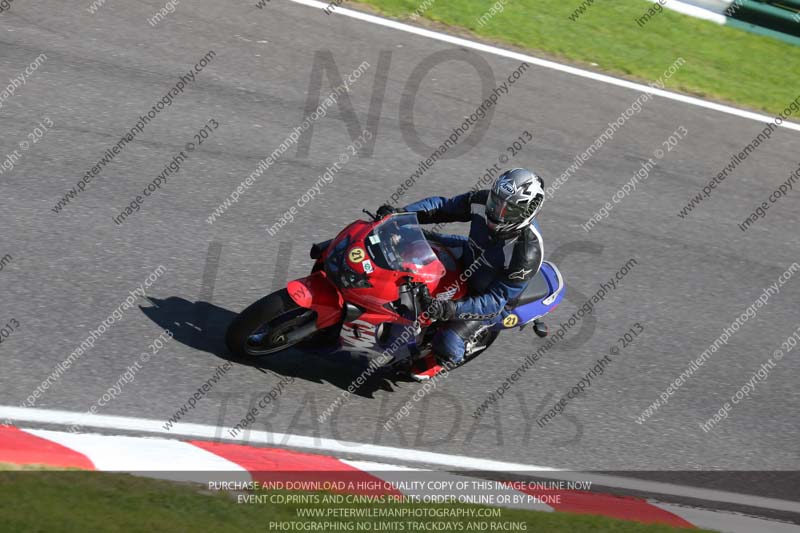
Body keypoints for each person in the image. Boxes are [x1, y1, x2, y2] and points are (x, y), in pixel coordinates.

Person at [377, 168, 545, 380]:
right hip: (469, 254)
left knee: (447, 343)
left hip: (489, 297)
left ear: (528, 211)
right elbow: (443, 207)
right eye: (496, 202)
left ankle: (445, 359)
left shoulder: (526, 253)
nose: (497, 213)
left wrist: (449, 309)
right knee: (408, 239)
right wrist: (399, 215)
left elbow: (495, 301)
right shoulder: (483, 201)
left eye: (508, 210)